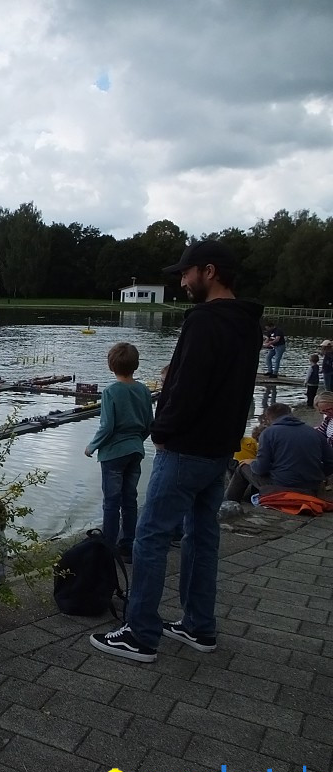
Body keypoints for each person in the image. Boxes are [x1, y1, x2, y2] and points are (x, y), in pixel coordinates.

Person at [90, 240, 263, 663]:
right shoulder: (249, 322)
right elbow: (237, 389)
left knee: (150, 536)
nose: (182, 281)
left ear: (209, 271)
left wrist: (161, 429)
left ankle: (140, 634)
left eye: (186, 273)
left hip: (186, 449)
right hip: (221, 448)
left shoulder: (204, 321)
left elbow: (187, 386)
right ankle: (199, 625)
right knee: (202, 536)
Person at [84, 342, 154, 563]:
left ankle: (108, 547)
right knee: (129, 499)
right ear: (136, 365)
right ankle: (128, 546)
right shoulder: (143, 389)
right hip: (135, 450)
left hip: (113, 454)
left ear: (110, 366)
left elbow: (107, 426)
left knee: (111, 502)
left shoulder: (111, 392)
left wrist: (92, 446)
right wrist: (136, 441)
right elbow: (149, 423)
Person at [224, 403, 333, 502]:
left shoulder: (269, 433)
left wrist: (251, 462)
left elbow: (260, 469)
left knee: (242, 468)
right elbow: (330, 462)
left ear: (268, 418)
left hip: (282, 485)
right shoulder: (314, 432)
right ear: (291, 414)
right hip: (312, 486)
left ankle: (229, 501)